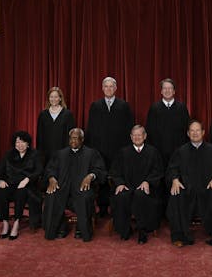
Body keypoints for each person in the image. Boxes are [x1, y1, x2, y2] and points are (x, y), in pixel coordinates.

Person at [166, 120, 212, 250]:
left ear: (203, 132)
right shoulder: (181, 151)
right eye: (192, 131)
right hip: (187, 189)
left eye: (197, 130)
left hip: (207, 188)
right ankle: (180, 236)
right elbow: (172, 168)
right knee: (176, 196)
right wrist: (175, 180)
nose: (195, 133)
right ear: (188, 134)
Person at [42, 128, 106, 242]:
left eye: (75, 138)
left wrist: (90, 176)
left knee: (85, 197)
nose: (72, 141)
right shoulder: (60, 154)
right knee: (52, 195)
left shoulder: (91, 153)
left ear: (82, 139)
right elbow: (50, 169)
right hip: (62, 187)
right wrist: (52, 178)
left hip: (82, 188)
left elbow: (100, 170)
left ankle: (82, 229)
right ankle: (59, 228)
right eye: (71, 138)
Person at [85, 76, 134, 216]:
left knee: (117, 176)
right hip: (100, 149)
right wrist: (92, 150)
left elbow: (129, 129)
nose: (108, 89)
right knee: (102, 179)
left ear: (116, 88)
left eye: (111, 86)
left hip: (119, 149)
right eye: (106, 86)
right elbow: (91, 128)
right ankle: (103, 207)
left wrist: (127, 149)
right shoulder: (95, 106)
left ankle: (117, 207)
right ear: (102, 88)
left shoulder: (124, 106)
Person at [109, 125, 164, 244]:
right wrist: (120, 183)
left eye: (140, 135)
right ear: (130, 137)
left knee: (141, 195)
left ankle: (142, 231)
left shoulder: (153, 152)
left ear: (145, 136)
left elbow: (158, 171)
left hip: (146, 187)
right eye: (134, 135)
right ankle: (125, 230)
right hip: (127, 186)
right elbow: (115, 171)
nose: (137, 137)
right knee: (122, 196)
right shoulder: (123, 152)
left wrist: (148, 181)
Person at [0, 131, 43, 240]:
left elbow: (39, 171)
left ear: (28, 143)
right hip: (10, 182)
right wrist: (0, 180)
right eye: (17, 142)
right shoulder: (9, 154)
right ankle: (5, 223)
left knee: (21, 192)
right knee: (0, 192)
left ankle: (16, 223)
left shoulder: (35, 154)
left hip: (27, 185)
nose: (20, 145)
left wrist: (27, 179)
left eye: (23, 142)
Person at [145, 78, 190, 166]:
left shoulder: (181, 107)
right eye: (165, 88)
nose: (167, 90)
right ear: (161, 91)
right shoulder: (154, 108)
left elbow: (187, 129)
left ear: (174, 91)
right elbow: (149, 130)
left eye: (170, 88)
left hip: (178, 149)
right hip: (159, 150)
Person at [36, 87, 77, 165]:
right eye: (51, 97)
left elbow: (71, 135)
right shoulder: (43, 114)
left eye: (56, 97)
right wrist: (40, 153)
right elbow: (40, 136)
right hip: (46, 153)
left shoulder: (68, 114)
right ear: (48, 98)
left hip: (63, 152)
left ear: (60, 98)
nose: (53, 99)